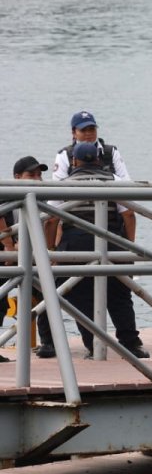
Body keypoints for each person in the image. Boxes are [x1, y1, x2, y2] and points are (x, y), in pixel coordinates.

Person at [48, 141, 148, 359]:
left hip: (76, 243)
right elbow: (129, 214)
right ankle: (131, 344)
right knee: (119, 294)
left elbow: (51, 219)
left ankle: (93, 344)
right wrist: (128, 247)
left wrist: (50, 250)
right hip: (110, 239)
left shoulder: (64, 184)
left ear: (74, 161)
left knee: (79, 295)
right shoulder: (115, 181)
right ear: (98, 160)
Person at [1, 156, 51, 363]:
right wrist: (10, 246)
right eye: (31, 175)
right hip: (5, 256)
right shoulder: (6, 194)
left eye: (39, 175)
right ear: (17, 177)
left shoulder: (43, 198)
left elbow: (52, 221)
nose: (37, 180)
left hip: (33, 254)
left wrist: (50, 250)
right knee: (1, 301)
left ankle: (49, 342)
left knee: (48, 294)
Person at [53, 111, 131, 181]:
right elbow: (58, 186)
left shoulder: (111, 152)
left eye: (91, 129)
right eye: (83, 130)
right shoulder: (64, 154)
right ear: (73, 132)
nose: (88, 133)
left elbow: (125, 181)